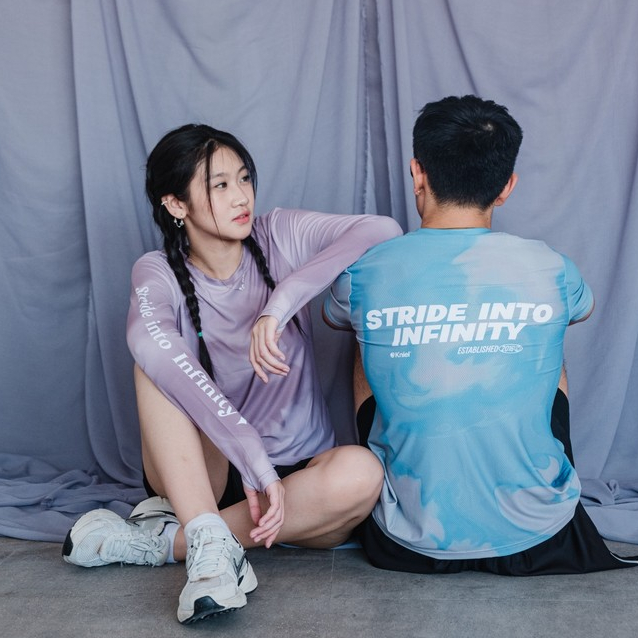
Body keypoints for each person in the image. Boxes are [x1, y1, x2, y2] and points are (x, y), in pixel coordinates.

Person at [62, 123, 402, 624]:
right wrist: (248, 449)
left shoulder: (278, 233)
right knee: (152, 362)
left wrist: (281, 304)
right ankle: (203, 531)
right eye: (219, 185)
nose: (241, 196)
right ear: (176, 204)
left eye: (243, 178)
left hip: (301, 481)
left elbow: (383, 230)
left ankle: (174, 542)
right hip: (206, 471)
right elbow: (148, 342)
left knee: (363, 473)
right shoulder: (156, 270)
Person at [323, 95, 638, 575]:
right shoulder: (552, 266)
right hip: (543, 537)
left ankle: (400, 481)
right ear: (507, 186)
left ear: (417, 174)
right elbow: (582, 310)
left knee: (365, 329)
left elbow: (333, 315)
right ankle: (538, 483)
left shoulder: (364, 271)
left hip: (407, 543)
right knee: (546, 329)